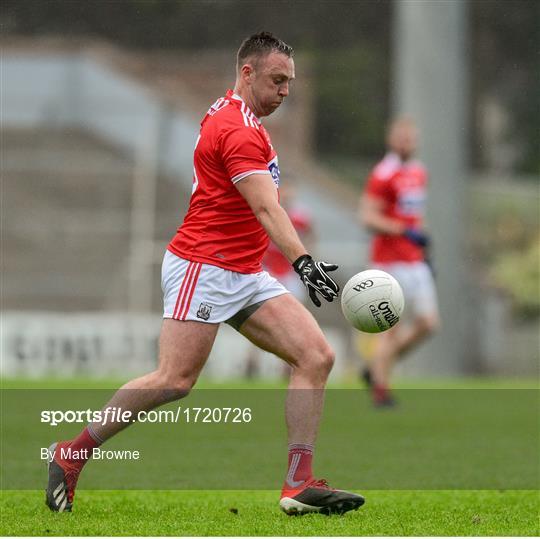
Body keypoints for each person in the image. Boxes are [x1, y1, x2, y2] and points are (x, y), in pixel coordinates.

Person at [45, 32, 364, 516]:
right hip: (204, 266)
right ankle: (73, 452)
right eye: (277, 80)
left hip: (243, 270)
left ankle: (298, 484)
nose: (284, 92)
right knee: (174, 379)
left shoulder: (240, 115)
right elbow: (265, 206)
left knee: (315, 356)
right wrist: (303, 261)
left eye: (290, 84)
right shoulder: (237, 129)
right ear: (247, 72)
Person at [359, 116, 440, 407]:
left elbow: (416, 217)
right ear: (391, 140)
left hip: (414, 261)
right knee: (390, 329)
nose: (407, 142)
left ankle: (374, 369)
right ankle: (382, 390)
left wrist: (426, 252)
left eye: (410, 137)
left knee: (428, 324)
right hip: (388, 262)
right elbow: (367, 217)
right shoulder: (383, 173)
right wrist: (402, 230)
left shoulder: (419, 172)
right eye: (401, 137)